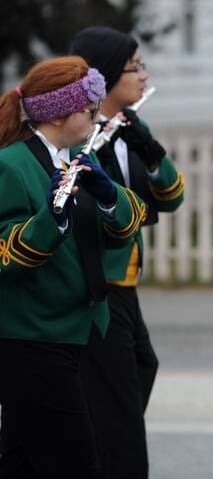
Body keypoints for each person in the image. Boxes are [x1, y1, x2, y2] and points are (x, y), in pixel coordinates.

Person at [0, 56, 147, 478]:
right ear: (63, 113)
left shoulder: (74, 158)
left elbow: (130, 219)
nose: (97, 117)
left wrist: (107, 197)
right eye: (89, 110)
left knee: (24, 462)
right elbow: (6, 254)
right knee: (76, 463)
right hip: (31, 339)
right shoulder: (11, 165)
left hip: (78, 331)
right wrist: (52, 219)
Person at [69, 26, 185, 479]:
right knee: (116, 401)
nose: (143, 75)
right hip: (97, 284)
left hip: (126, 283)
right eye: (135, 66)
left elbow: (172, 196)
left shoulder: (133, 126)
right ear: (106, 75)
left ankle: (97, 449)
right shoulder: (79, 133)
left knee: (141, 368)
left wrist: (150, 152)